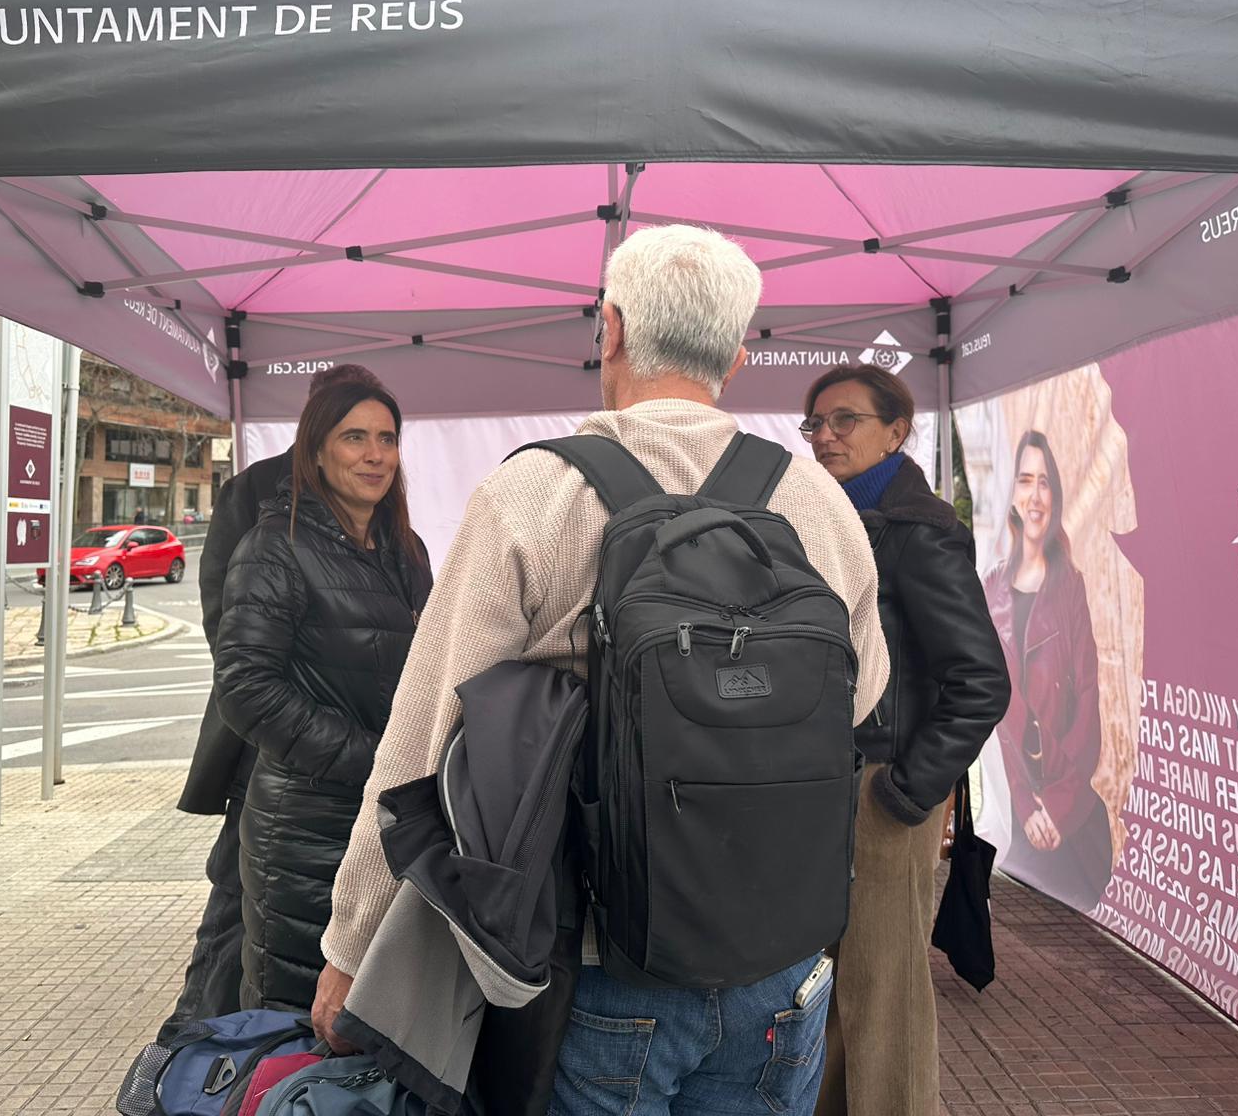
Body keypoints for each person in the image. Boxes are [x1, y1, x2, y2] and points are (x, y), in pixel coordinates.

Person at [316, 225, 890, 1115]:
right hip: (782, 970)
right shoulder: (814, 500)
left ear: (610, 329)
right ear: (737, 356)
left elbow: (422, 738)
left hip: (604, 968)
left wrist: (351, 945)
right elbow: (863, 697)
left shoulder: (534, 495)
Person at [800, 366, 1009, 1116]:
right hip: (831, 786)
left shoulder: (920, 532)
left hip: (883, 792)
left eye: (845, 420)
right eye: (815, 424)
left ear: (896, 431)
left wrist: (907, 790)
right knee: (830, 987)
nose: (826, 437)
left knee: (883, 993)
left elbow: (981, 680)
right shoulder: (834, 520)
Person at [159, 363, 385, 1038]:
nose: (369, 448)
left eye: (380, 433)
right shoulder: (256, 492)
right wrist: (295, 711)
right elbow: (228, 629)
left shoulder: (379, 508)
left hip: (336, 756)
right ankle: (192, 1041)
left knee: (286, 918)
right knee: (238, 901)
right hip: (266, 746)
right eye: (347, 426)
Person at [214, 374, 431, 1015]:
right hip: (304, 831)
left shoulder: (405, 550)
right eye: (354, 438)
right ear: (315, 450)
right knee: (299, 1019)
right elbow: (245, 688)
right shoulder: (275, 546)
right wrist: (372, 759)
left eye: (387, 439)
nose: (375, 455)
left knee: (373, 1019)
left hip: (384, 821)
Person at [983, 431, 1112, 912]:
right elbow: (991, 707)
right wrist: (1023, 802)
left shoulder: (1070, 587)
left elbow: (1088, 706)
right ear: (1012, 493)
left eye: (1044, 482)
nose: (1034, 495)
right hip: (1012, 810)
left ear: (1054, 496)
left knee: (1069, 932)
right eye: (1025, 480)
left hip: (1065, 815)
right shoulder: (990, 586)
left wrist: (1055, 808)